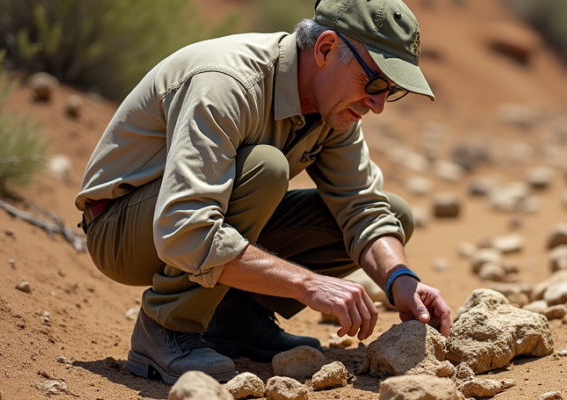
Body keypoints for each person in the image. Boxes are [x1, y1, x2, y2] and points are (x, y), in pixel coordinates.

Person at [75, 0, 450, 385]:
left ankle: (233, 316)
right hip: (122, 229)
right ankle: (165, 328)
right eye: (374, 82)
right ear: (325, 49)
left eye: (391, 90)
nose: (378, 104)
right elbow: (184, 228)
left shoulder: (334, 106)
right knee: (265, 169)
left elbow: (363, 208)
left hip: (186, 223)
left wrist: (400, 280)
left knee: (394, 213)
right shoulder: (228, 82)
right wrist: (308, 285)